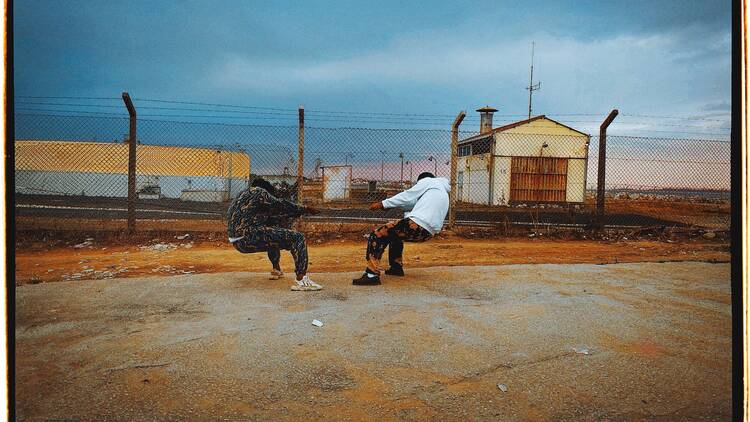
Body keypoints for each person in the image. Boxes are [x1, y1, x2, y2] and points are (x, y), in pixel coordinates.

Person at [352, 172, 450, 286]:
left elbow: (407, 195)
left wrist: (383, 204)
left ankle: (371, 275)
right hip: (427, 232)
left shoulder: (428, 181)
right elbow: (411, 204)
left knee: (377, 234)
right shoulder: (440, 191)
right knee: (395, 236)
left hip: (418, 224)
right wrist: (391, 206)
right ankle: (396, 267)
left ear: (421, 181)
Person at [227, 177, 323, 291]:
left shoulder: (241, 195)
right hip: (249, 236)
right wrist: (305, 209)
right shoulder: (260, 192)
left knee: (272, 230)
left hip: (237, 241)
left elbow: (270, 219)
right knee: (298, 238)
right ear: (266, 190)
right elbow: (280, 205)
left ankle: (276, 269)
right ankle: (302, 280)